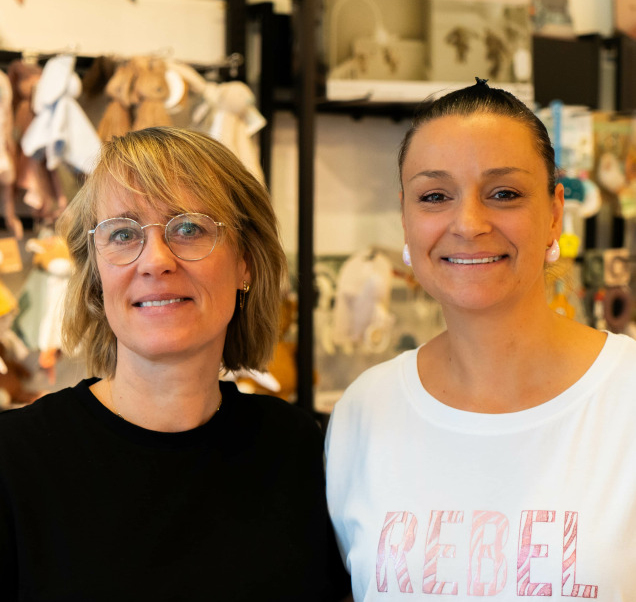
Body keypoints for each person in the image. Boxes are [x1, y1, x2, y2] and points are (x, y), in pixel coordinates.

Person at [0, 126, 351, 601]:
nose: (155, 261)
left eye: (189, 228)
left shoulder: (297, 449)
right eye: (123, 234)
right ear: (97, 276)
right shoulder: (15, 461)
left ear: (245, 261)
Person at [325, 79, 636, 600]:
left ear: (555, 211)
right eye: (435, 196)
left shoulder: (625, 396)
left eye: (505, 194)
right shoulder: (363, 412)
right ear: (406, 217)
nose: (468, 224)